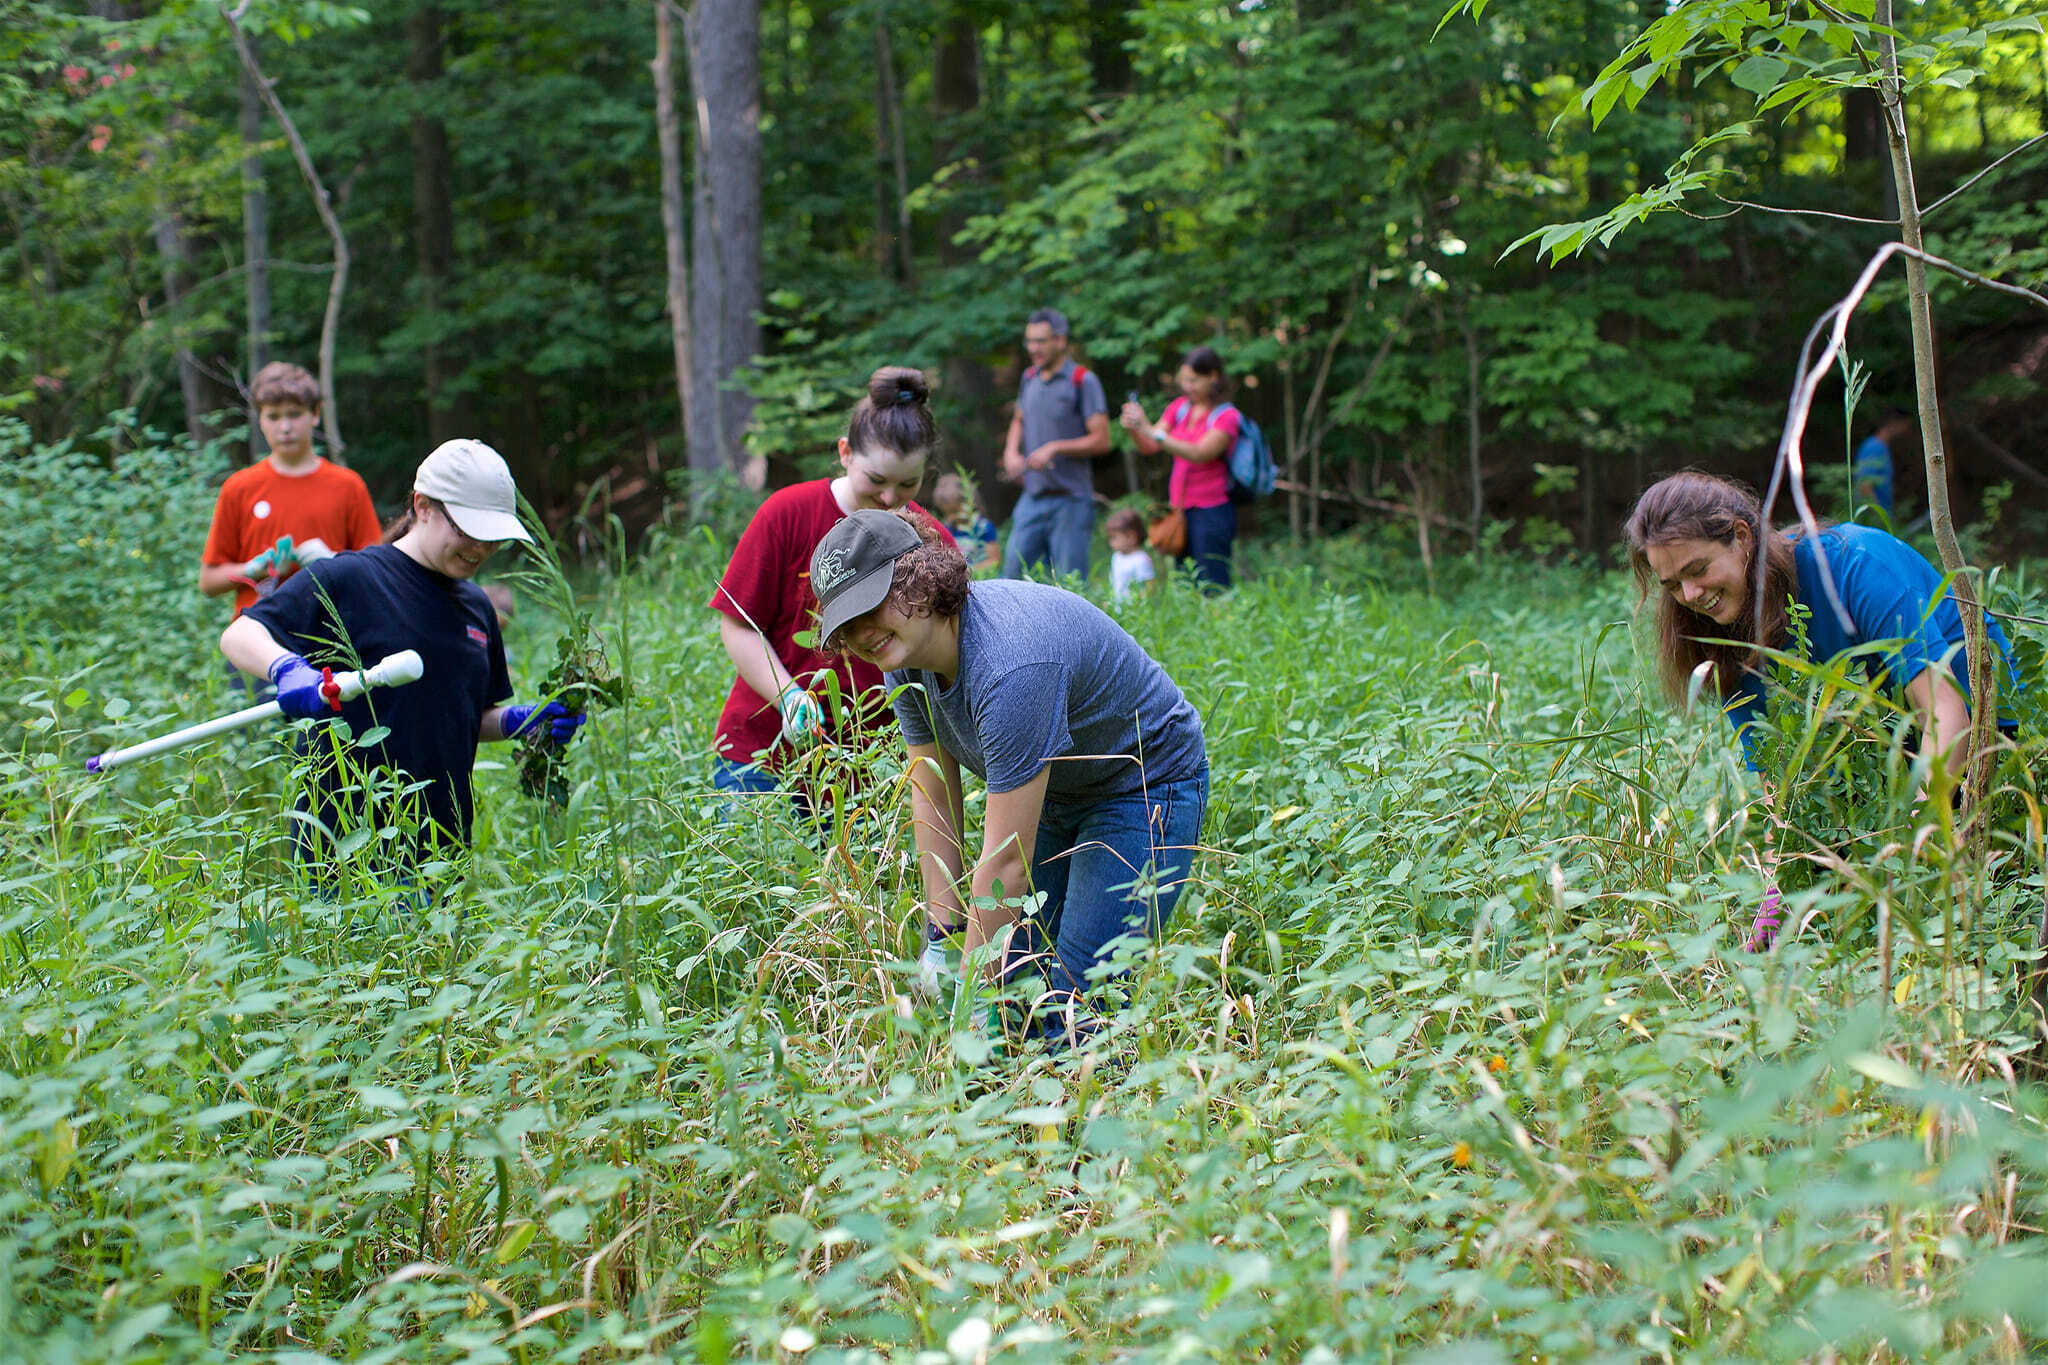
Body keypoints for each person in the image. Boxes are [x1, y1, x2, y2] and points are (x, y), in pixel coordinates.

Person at [811, 508, 1209, 1037]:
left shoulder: (1009, 667)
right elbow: (932, 798)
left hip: (1143, 783)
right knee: (1015, 983)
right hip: (1055, 790)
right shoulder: (904, 663)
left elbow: (1006, 868)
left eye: (874, 605)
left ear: (922, 579)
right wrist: (942, 936)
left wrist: (967, 1012)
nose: (862, 632)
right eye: (846, 623)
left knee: (1073, 1011)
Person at [219, 439, 585, 876]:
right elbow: (241, 633)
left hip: (442, 850)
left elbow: (467, 715)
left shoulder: (477, 608)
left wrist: (517, 721)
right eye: (467, 530)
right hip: (342, 850)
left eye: (492, 538)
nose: (480, 548)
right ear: (423, 505)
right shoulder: (351, 578)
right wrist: (287, 669)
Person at [1624, 471, 2016, 774]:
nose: (1690, 596)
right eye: (1673, 585)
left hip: (1990, 738)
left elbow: (1945, 714)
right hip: (1881, 760)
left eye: (1698, 569)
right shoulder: (1717, 633)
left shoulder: (1854, 566)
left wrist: (1916, 844)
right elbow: (1780, 780)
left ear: (1741, 536)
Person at [708, 366, 944, 807]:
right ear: (845, 453)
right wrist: (788, 696)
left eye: (908, 483)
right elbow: (738, 626)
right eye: (876, 480)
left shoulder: (927, 539)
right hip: (761, 758)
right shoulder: (788, 513)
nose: (891, 498)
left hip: (870, 774)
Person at [200, 361, 380, 617]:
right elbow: (209, 581)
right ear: (259, 419)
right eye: (273, 416)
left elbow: (376, 574)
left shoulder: (348, 485)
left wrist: (334, 563)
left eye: (294, 414)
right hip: (255, 636)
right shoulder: (239, 488)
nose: (285, 427)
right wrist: (253, 569)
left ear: (315, 414)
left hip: (331, 634)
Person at [1000, 308, 1111, 582]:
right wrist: (1011, 452)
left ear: (1060, 341)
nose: (1033, 348)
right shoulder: (1029, 378)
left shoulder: (1082, 380)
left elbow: (1102, 440)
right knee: (1011, 575)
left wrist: (1056, 447)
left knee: (1069, 584)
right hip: (1033, 497)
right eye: (1029, 341)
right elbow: (1019, 419)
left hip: (1071, 499)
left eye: (1040, 341)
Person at [1120, 346, 1239, 591]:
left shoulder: (1226, 416)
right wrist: (1134, 428)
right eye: (1184, 380)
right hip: (1180, 511)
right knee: (1186, 582)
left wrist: (1152, 431)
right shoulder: (1179, 408)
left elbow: (1200, 453)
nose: (1187, 386)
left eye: (1194, 380)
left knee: (1212, 583)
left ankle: (1219, 625)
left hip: (1212, 511)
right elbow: (1150, 445)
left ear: (1213, 376)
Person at [1852, 407, 1913, 523]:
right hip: (1872, 519)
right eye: (1905, 426)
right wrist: (1878, 516)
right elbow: (1865, 484)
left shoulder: (1883, 447)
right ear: (1894, 424)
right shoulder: (1874, 447)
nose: (1906, 431)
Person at [932, 472, 1000, 574]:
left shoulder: (983, 527)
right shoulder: (947, 529)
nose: (951, 517)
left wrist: (970, 571)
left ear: (969, 503)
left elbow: (994, 561)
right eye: (946, 513)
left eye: (955, 511)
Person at [1104, 507, 1155, 603]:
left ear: (1131, 537)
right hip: (1118, 608)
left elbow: (1149, 585)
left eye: (1114, 538)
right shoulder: (1116, 557)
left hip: (1134, 610)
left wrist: (1142, 602)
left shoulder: (1141, 560)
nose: (1111, 543)